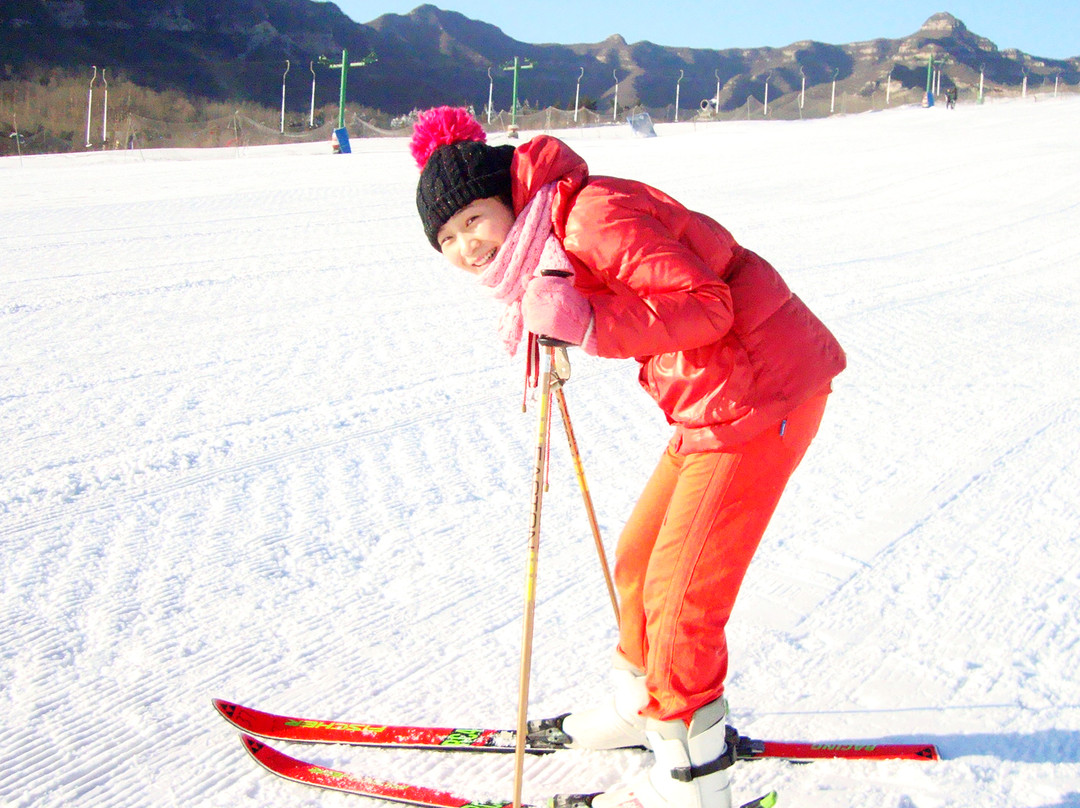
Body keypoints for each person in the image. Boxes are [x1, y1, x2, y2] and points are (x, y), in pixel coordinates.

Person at [410, 106, 846, 808]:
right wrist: (570, 318)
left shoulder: (589, 217)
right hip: (715, 396)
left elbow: (707, 306)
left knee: (680, 604)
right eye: (447, 237)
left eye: (473, 220)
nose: (466, 246)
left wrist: (585, 321)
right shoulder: (551, 233)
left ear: (507, 198)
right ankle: (638, 707)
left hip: (761, 394)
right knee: (639, 561)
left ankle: (691, 781)